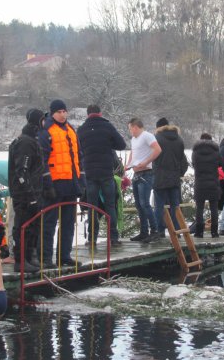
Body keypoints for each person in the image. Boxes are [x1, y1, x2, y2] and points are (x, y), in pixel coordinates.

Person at [39, 99, 85, 267]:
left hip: (71, 184)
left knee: (68, 223)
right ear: (53, 113)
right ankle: (45, 258)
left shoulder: (71, 130)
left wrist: (82, 180)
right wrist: (47, 183)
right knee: (49, 223)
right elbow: (42, 160)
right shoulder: (46, 131)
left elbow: (79, 156)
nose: (63, 114)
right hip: (54, 184)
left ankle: (64, 256)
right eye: (59, 111)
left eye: (64, 111)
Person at [77, 104, 127, 246]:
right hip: (106, 172)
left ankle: (92, 239)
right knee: (110, 205)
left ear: (87, 114)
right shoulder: (107, 126)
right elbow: (122, 145)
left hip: (90, 173)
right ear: (100, 113)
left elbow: (76, 150)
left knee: (92, 206)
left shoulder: (81, 130)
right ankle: (113, 238)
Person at [9, 109, 47, 273]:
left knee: (33, 225)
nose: (45, 123)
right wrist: (30, 195)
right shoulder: (25, 142)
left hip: (34, 192)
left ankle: (30, 257)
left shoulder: (33, 140)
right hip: (24, 194)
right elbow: (21, 171)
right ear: (37, 121)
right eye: (43, 120)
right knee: (23, 225)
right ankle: (21, 260)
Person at [149, 117, 189, 242]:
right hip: (174, 178)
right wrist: (179, 173)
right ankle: (176, 231)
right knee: (175, 206)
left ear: (158, 127)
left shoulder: (156, 139)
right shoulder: (179, 139)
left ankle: (160, 231)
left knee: (159, 206)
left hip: (160, 178)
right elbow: (184, 162)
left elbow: (152, 158)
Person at [125, 118, 162, 242]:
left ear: (136, 127)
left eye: (130, 128)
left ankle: (155, 230)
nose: (130, 131)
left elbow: (158, 149)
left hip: (146, 173)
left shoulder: (147, 136)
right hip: (136, 173)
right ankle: (144, 231)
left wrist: (145, 162)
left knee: (145, 203)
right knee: (139, 204)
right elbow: (133, 153)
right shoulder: (134, 139)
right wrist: (128, 164)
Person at [192, 133, 222, 238]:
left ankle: (199, 232)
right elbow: (220, 164)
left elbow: (193, 164)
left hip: (200, 183)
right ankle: (214, 232)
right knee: (214, 208)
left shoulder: (195, 152)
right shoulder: (216, 151)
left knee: (199, 208)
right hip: (213, 182)